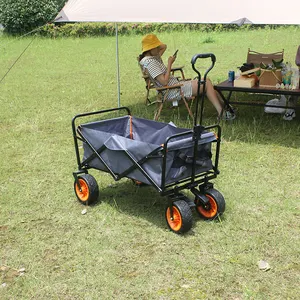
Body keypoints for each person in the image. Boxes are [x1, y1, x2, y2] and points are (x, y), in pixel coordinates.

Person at [139, 34, 235, 121]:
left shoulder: (153, 57)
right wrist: (169, 64)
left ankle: (225, 106)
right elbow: (164, 82)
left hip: (175, 86)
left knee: (206, 80)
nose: (158, 48)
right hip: (173, 90)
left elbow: (164, 46)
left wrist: (155, 46)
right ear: (150, 49)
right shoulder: (151, 63)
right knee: (206, 83)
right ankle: (222, 113)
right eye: (155, 46)